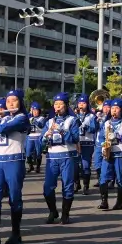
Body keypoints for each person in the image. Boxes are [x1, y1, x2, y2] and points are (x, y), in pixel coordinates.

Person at [0, 89, 29, 244]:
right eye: (8, 101)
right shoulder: (3, 119)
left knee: (14, 197)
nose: (10, 103)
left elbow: (2, 129)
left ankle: (16, 233)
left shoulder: (22, 118)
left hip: (14, 160)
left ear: (20, 102)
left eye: (14, 100)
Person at [41, 93, 80, 224]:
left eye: (60, 104)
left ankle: (65, 214)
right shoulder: (49, 122)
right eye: (56, 104)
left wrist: (62, 130)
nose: (57, 107)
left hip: (67, 156)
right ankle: (53, 211)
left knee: (68, 186)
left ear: (66, 106)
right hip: (52, 157)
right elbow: (41, 142)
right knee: (47, 187)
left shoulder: (72, 120)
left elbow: (75, 139)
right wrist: (46, 135)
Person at [97, 99, 122, 211]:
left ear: (121, 110)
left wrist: (118, 137)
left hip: (121, 154)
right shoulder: (106, 123)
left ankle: (119, 202)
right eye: (112, 108)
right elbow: (101, 137)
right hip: (108, 153)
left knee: (120, 178)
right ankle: (104, 201)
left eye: (116, 108)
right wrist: (103, 144)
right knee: (103, 177)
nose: (114, 110)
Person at [75, 94, 97, 195]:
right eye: (80, 103)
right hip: (76, 143)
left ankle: (86, 185)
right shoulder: (74, 116)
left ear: (87, 104)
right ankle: (76, 183)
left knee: (85, 165)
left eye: (83, 103)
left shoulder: (92, 116)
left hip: (87, 143)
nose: (81, 105)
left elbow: (94, 129)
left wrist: (85, 126)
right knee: (75, 165)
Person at [25, 102, 46, 174]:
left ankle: (38, 167)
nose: (35, 112)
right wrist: (30, 114)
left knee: (38, 153)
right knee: (28, 153)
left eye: (36, 110)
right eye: (33, 110)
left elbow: (41, 125)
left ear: (39, 111)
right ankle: (31, 166)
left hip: (38, 136)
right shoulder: (29, 117)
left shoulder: (42, 118)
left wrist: (35, 121)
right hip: (30, 137)